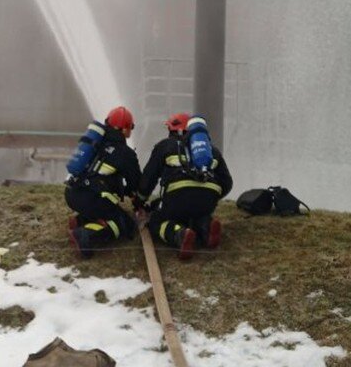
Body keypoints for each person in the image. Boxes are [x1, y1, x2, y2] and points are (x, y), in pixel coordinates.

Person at [136, 112, 233, 260]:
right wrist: (212, 197)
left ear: (175, 130)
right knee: (198, 215)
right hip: (207, 199)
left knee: (156, 220)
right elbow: (227, 183)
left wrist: (139, 201)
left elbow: (149, 178)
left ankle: (179, 234)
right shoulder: (212, 151)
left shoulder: (165, 146)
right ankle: (206, 227)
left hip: (177, 198)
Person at [65, 106, 142, 258]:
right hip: (91, 197)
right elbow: (137, 183)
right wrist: (138, 198)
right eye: (131, 127)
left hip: (71, 193)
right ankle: (85, 235)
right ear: (125, 129)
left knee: (106, 209)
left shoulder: (96, 142)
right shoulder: (125, 153)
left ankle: (81, 219)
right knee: (124, 224)